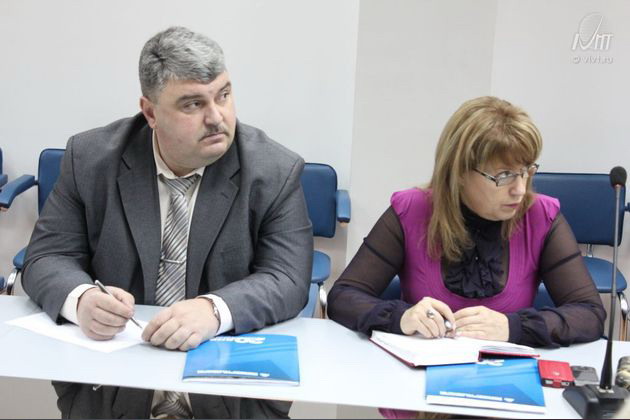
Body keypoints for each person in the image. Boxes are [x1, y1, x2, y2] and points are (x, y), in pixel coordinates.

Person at [22, 26, 313, 419]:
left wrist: (214, 310)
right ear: (150, 113)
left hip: (227, 390)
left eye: (224, 95)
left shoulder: (274, 170)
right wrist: (82, 300)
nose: (217, 118)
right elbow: (47, 257)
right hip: (114, 383)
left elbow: (288, 278)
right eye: (193, 104)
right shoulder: (90, 159)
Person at [328, 96, 605, 417]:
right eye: (504, 175)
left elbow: (589, 314)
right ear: (459, 172)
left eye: (527, 171)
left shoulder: (539, 216)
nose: (520, 189)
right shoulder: (412, 211)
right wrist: (402, 318)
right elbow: (343, 297)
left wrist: (512, 326)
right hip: (419, 401)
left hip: (505, 399)